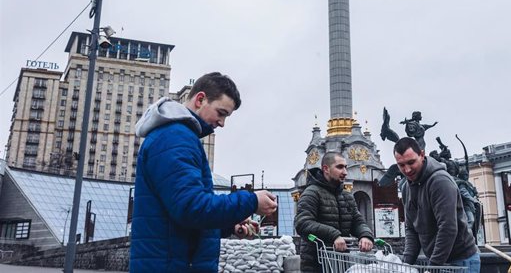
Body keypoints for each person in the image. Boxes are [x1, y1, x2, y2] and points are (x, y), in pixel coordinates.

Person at [130, 72, 278, 273]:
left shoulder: (178, 135)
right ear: (200, 99)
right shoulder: (175, 138)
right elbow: (191, 208)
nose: (222, 123)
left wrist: (230, 225)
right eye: (221, 113)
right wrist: (251, 201)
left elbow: (180, 217)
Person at [394, 137, 480, 272]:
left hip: (460, 261)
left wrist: (432, 267)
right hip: (439, 261)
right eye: (401, 165)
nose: (407, 170)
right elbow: (411, 228)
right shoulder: (406, 187)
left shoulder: (440, 182)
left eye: (411, 162)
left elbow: (448, 228)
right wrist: (405, 265)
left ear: (422, 155)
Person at [294, 152, 375, 272]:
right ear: (326, 169)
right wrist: (334, 235)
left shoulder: (347, 196)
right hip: (316, 264)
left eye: (346, 167)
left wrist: (365, 235)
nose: (345, 172)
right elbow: (302, 223)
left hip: (341, 262)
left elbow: (357, 221)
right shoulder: (311, 193)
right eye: (340, 167)